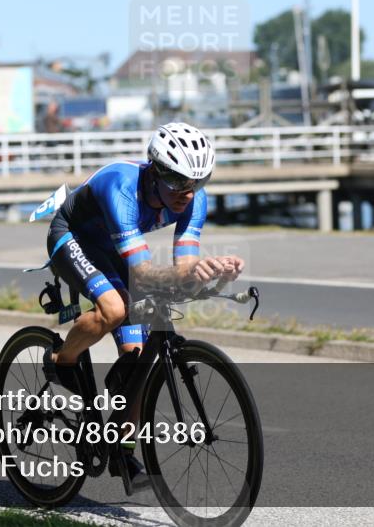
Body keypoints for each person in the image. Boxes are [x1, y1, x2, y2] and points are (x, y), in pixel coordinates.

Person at [43, 122, 245, 488]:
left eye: (197, 182)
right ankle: (61, 360)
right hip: (72, 238)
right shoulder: (121, 188)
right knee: (115, 308)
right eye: (178, 182)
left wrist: (210, 273)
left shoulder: (195, 197)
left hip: (115, 250)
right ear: (155, 171)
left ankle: (122, 449)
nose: (187, 192)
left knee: (137, 360)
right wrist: (189, 274)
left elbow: (183, 267)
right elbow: (145, 274)